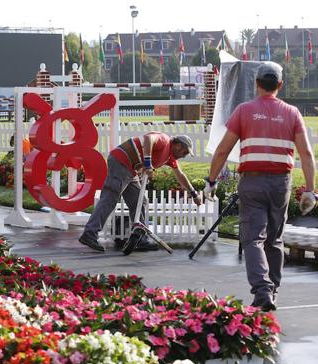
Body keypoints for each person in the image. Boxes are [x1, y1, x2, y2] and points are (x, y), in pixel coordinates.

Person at [205, 61, 317, 312]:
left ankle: (262, 290)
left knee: (252, 238)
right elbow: (306, 154)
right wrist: (310, 190)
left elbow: (223, 149)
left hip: (252, 181)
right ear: (280, 84)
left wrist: (211, 182)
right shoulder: (292, 113)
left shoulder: (244, 111)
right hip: (281, 183)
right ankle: (272, 290)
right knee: (275, 239)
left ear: (256, 84)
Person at [79, 132, 201, 252]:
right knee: (110, 198)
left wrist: (194, 193)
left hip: (131, 170)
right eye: (185, 152)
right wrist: (148, 164)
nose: (184, 156)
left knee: (140, 201)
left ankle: (140, 239)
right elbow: (148, 139)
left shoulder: (170, 157)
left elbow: (180, 175)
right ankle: (89, 234)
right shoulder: (165, 140)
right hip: (121, 161)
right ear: (178, 145)